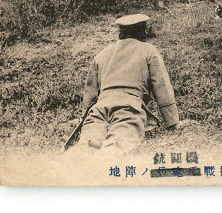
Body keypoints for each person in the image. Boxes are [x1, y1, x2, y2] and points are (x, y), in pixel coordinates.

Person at [72, 14, 179, 154]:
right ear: (142, 31)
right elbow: (162, 87)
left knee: (86, 144)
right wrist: (172, 122)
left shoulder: (102, 54)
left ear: (121, 32)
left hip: (100, 108)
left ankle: (69, 160)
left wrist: (84, 117)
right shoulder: (149, 50)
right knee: (117, 145)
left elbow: (90, 93)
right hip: (129, 108)